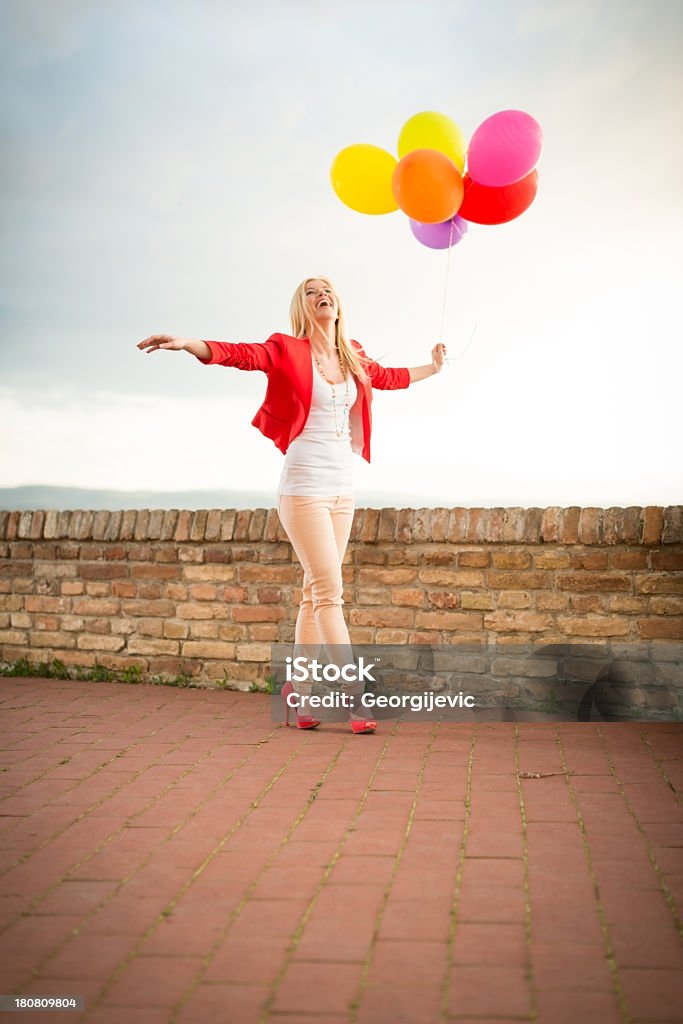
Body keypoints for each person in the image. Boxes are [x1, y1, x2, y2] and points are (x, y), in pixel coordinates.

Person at [137, 276, 446, 734]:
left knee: (313, 592)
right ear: (302, 307)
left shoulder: (353, 354)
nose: (321, 294)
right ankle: (354, 698)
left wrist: (433, 368)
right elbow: (241, 354)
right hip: (304, 488)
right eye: (310, 291)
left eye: (327, 290)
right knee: (330, 594)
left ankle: (298, 693)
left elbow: (389, 378)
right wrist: (189, 344)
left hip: (344, 488)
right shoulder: (287, 348)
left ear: (337, 304)